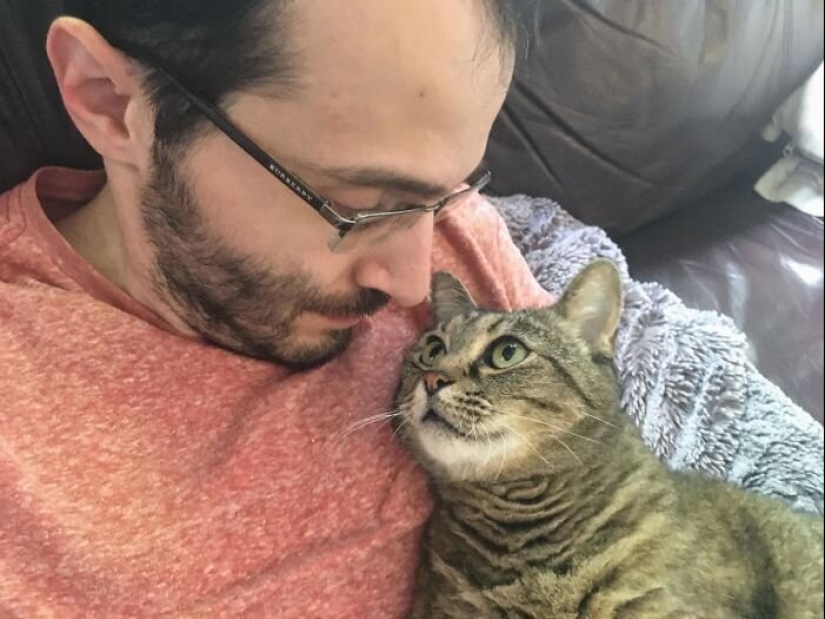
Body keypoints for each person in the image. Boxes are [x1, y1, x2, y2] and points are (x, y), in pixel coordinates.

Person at [0, 1, 554, 616]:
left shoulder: (454, 228)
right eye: (356, 205)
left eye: (447, 193)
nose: (412, 285)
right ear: (108, 101)